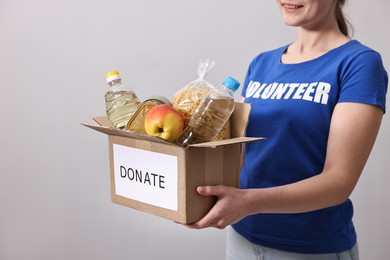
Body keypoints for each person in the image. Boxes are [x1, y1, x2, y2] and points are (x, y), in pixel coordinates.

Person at [187, 0, 388, 259]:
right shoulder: (261, 64)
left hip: (312, 248)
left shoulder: (358, 64)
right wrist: (193, 189)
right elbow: (242, 155)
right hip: (241, 238)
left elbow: (339, 182)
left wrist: (248, 202)